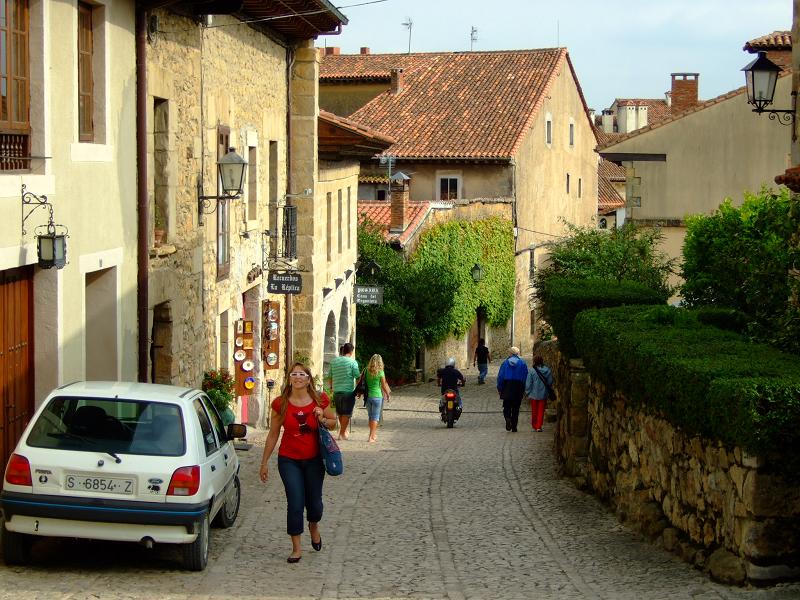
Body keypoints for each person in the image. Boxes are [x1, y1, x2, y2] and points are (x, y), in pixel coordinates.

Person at [259, 362, 338, 563]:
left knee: (315, 504)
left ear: (308, 379)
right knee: (295, 502)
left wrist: (322, 417)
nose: (298, 377)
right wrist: (264, 462)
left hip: (314, 459)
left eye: (302, 374)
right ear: (289, 379)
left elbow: (333, 423)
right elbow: (273, 434)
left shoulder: (320, 399)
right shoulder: (280, 404)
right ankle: (296, 548)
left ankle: (313, 525)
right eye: (294, 374)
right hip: (289, 460)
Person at [327, 342, 360, 440]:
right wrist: (358, 390)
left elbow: (330, 377)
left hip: (336, 391)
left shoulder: (334, 362)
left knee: (340, 413)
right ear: (351, 351)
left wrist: (331, 388)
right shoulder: (352, 362)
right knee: (346, 413)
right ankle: (341, 434)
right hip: (348, 392)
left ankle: (343, 432)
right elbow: (357, 376)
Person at [496, 347, 528, 432]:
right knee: (516, 407)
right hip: (518, 386)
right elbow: (525, 376)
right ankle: (514, 427)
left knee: (506, 405)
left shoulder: (505, 363)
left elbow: (500, 376)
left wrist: (499, 387)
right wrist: (524, 388)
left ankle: (507, 418)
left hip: (507, 385)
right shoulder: (522, 363)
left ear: (510, 353)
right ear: (517, 353)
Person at [364, 354, 391, 442]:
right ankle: (371, 437)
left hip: (368, 397)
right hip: (377, 396)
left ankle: (372, 434)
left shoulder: (366, 370)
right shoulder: (381, 372)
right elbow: (383, 385)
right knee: (375, 417)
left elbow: (361, 381)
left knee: (370, 416)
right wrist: (387, 394)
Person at [525, 354, 554, 432]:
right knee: (541, 411)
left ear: (534, 361)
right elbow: (550, 382)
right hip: (543, 394)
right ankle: (539, 426)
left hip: (534, 394)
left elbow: (528, 383)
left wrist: (528, 392)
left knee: (534, 410)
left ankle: (534, 425)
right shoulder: (547, 370)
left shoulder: (532, 371)